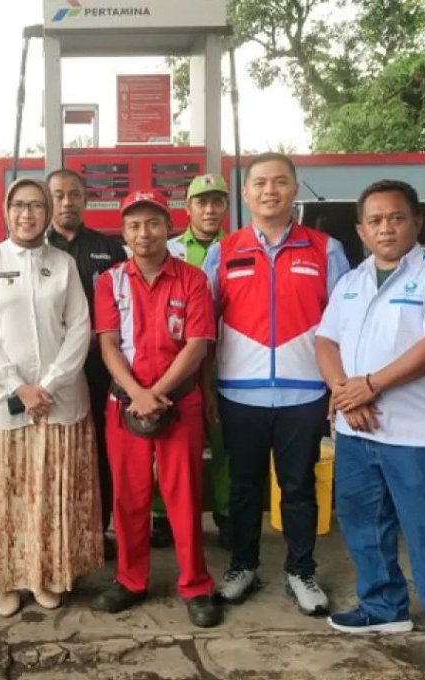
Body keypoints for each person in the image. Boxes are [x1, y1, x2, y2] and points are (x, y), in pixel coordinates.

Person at [316, 179, 425, 680]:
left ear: (417, 223)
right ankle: (383, 607)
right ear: (361, 230)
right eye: (375, 220)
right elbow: (325, 340)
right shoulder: (350, 282)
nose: (385, 227)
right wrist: (346, 391)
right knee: (363, 524)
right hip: (356, 431)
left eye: (396, 218)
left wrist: (369, 385)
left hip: (415, 435)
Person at [203, 152, 349, 615]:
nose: (270, 190)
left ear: (294, 188)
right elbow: (204, 328)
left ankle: (300, 570)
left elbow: (344, 324)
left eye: (280, 182)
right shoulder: (222, 251)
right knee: (243, 487)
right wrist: (207, 390)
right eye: (260, 183)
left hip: (304, 394)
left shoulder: (326, 249)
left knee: (298, 486)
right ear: (245, 194)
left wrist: (338, 389)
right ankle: (243, 565)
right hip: (237, 393)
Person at [0, 177, 103, 617]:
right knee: (6, 494)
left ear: (47, 213)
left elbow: (80, 327)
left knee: (48, 494)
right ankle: (5, 579)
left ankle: (45, 574)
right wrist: (17, 386)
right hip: (2, 405)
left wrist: (50, 383)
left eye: (36, 206)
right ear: (6, 211)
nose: (27, 214)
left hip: (58, 402)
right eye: (19, 206)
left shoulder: (63, 264)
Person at [92, 190, 222, 628]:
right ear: (124, 233)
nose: (143, 233)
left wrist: (156, 393)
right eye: (133, 225)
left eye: (152, 223)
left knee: (184, 498)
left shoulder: (192, 279)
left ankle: (196, 584)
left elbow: (197, 345)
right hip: (123, 404)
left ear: (168, 226)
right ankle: (130, 580)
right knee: (129, 498)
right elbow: (108, 343)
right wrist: (135, 393)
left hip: (178, 402)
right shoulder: (110, 280)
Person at [45, 168, 127, 561]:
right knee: (57, 451)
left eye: (74, 194)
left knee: (101, 450)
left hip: (98, 368)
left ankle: (100, 528)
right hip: (47, 373)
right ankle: (58, 530)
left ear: (86, 200)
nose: (66, 202)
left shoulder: (108, 249)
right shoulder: (34, 247)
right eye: (58, 195)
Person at [168, 173, 232, 550]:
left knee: (225, 446)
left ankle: (225, 515)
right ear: (188, 208)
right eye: (201, 202)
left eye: (217, 202)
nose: (209, 209)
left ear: (226, 206)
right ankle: (162, 516)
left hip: (227, 363)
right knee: (173, 448)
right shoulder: (170, 249)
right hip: (176, 367)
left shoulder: (239, 247)